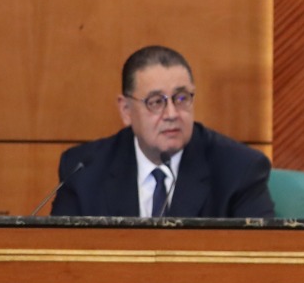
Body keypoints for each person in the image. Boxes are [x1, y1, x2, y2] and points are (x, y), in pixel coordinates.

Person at [50, 46, 277, 219]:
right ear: (126, 110)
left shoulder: (239, 169)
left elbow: (260, 258)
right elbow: (61, 255)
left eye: (181, 98)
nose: (171, 114)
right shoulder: (84, 170)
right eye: (156, 102)